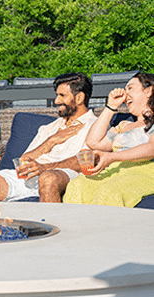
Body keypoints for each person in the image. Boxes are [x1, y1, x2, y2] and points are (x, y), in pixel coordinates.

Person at [0, 72, 98, 202]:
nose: (56, 100)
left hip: (62, 176)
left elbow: (86, 161)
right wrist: (51, 141)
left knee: (47, 178)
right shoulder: (50, 128)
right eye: (57, 95)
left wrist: (45, 168)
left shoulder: (95, 125)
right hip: (28, 178)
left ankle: (51, 226)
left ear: (79, 98)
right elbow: (24, 161)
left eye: (62, 95)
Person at [64, 72, 154, 206]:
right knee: (77, 186)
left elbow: (151, 149)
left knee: (109, 191)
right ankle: (73, 226)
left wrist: (112, 157)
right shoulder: (123, 126)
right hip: (117, 171)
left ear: (148, 91)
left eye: (130, 88)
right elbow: (93, 142)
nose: (125, 93)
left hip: (145, 170)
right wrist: (111, 107)